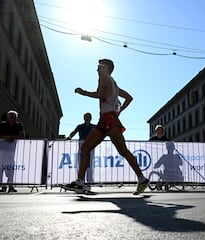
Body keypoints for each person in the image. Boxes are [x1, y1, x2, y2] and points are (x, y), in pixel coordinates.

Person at [64, 58, 149, 195]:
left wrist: (83, 92)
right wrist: (119, 111)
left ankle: (142, 178)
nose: (97, 69)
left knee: (122, 151)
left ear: (106, 68)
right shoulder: (114, 83)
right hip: (105, 119)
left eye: (99, 66)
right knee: (86, 148)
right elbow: (129, 98)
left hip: (108, 119)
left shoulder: (104, 78)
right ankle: (79, 182)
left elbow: (101, 94)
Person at [0, 110, 25, 193]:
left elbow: (22, 135)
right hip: (1, 149)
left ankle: (10, 185)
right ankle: (2, 186)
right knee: (0, 167)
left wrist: (11, 137)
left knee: (10, 168)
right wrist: (4, 137)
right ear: (7, 117)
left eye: (14, 116)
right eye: (11, 116)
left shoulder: (18, 125)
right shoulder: (2, 125)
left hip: (11, 150)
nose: (12, 118)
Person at [66, 112, 96, 185]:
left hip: (90, 145)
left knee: (89, 163)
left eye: (88, 117)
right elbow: (74, 132)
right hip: (81, 146)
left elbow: (99, 133)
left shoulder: (94, 127)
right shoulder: (80, 126)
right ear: (84, 118)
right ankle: (80, 180)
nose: (87, 118)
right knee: (81, 163)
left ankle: (89, 181)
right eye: (86, 117)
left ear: (91, 118)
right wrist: (69, 137)